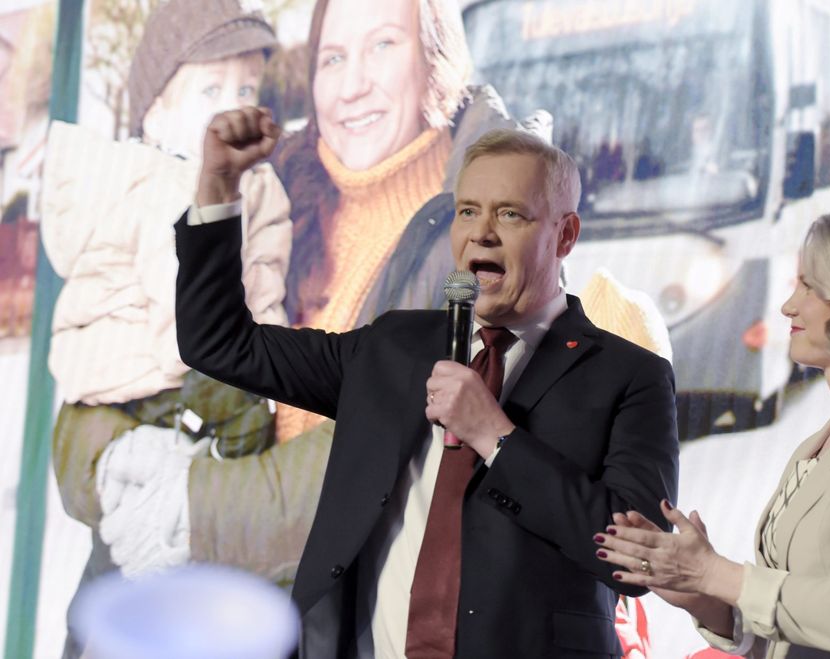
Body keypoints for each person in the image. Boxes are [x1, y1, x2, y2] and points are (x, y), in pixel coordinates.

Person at [176, 117, 679, 657]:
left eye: (510, 213)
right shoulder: (393, 347)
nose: (480, 232)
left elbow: (640, 561)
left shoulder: (628, 376)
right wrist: (219, 187)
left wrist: (497, 438)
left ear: (566, 235)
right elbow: (220, 342)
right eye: (468, 211)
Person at [593, 207, 830, 659]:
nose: (788, 305)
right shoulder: (817, 443)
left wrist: (714, 573)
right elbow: (785, 626)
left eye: (809, 286)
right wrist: (696, 590)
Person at [40, 1, 290, 655]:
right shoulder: (173, 185)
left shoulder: (247, 183)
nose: (233, 105)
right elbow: (186, 323)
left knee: (117, 578)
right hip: (164, 392)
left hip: (155, 397)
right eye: (210, 90)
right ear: (156, 114)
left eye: (244, 89)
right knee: (152, 562)